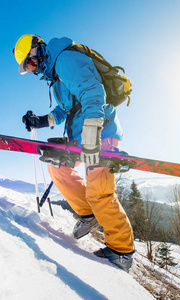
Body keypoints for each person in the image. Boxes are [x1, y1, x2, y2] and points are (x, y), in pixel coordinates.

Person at [13, 34, 134, 272]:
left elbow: (93, 91)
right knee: (58, 167)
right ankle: (88, 215)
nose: (32, 69)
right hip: (81, 137)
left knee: (100, 190)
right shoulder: (56, 76)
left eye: (30, 62)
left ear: (38, 50)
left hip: (101, 131)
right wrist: (40, 121)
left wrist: (92, 133)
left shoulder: (66, 60)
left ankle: (121, 252)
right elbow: (63, 110)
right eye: (27, 67)